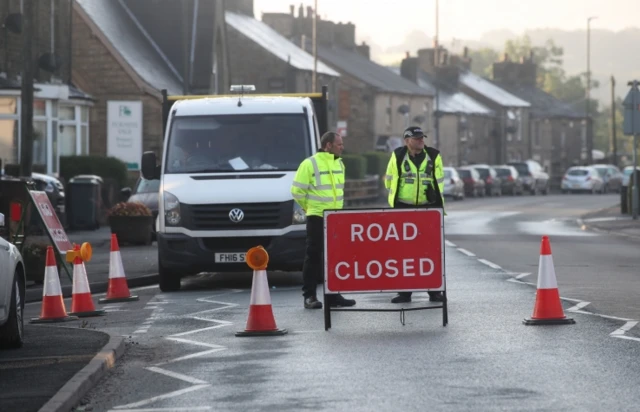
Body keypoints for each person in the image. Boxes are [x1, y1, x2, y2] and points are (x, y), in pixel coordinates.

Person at [291, 131, 357, 309]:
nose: (342, 147)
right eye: (339, 144)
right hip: (318, 216)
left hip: (336, 218)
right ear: (328, 145)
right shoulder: (309, 163)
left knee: (334, 257)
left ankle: (333, 295)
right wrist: (309, 208)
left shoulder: (340, 164)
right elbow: (297, 191)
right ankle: (309, 296)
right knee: (314, 256)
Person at [384, 126, 446, 304]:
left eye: (422, 138)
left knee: (431, 252)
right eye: (417, 138)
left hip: (429, 212)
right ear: (407, 140)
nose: (421, 140)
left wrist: (435, 200)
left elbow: (439, 181)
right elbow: (389, 180)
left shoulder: (434, 155)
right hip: (403, 211)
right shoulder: (397, 156)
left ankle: (434, 291)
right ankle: (405, 293)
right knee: (404, 254)